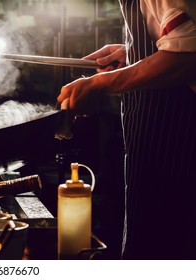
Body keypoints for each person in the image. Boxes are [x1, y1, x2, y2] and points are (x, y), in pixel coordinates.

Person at [57, 0, 196, 259]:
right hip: (153, 140)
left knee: (166, 245)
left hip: (178, 140)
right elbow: (179, 35)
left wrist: (102, 83)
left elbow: (187, 54)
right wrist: (133, 54)